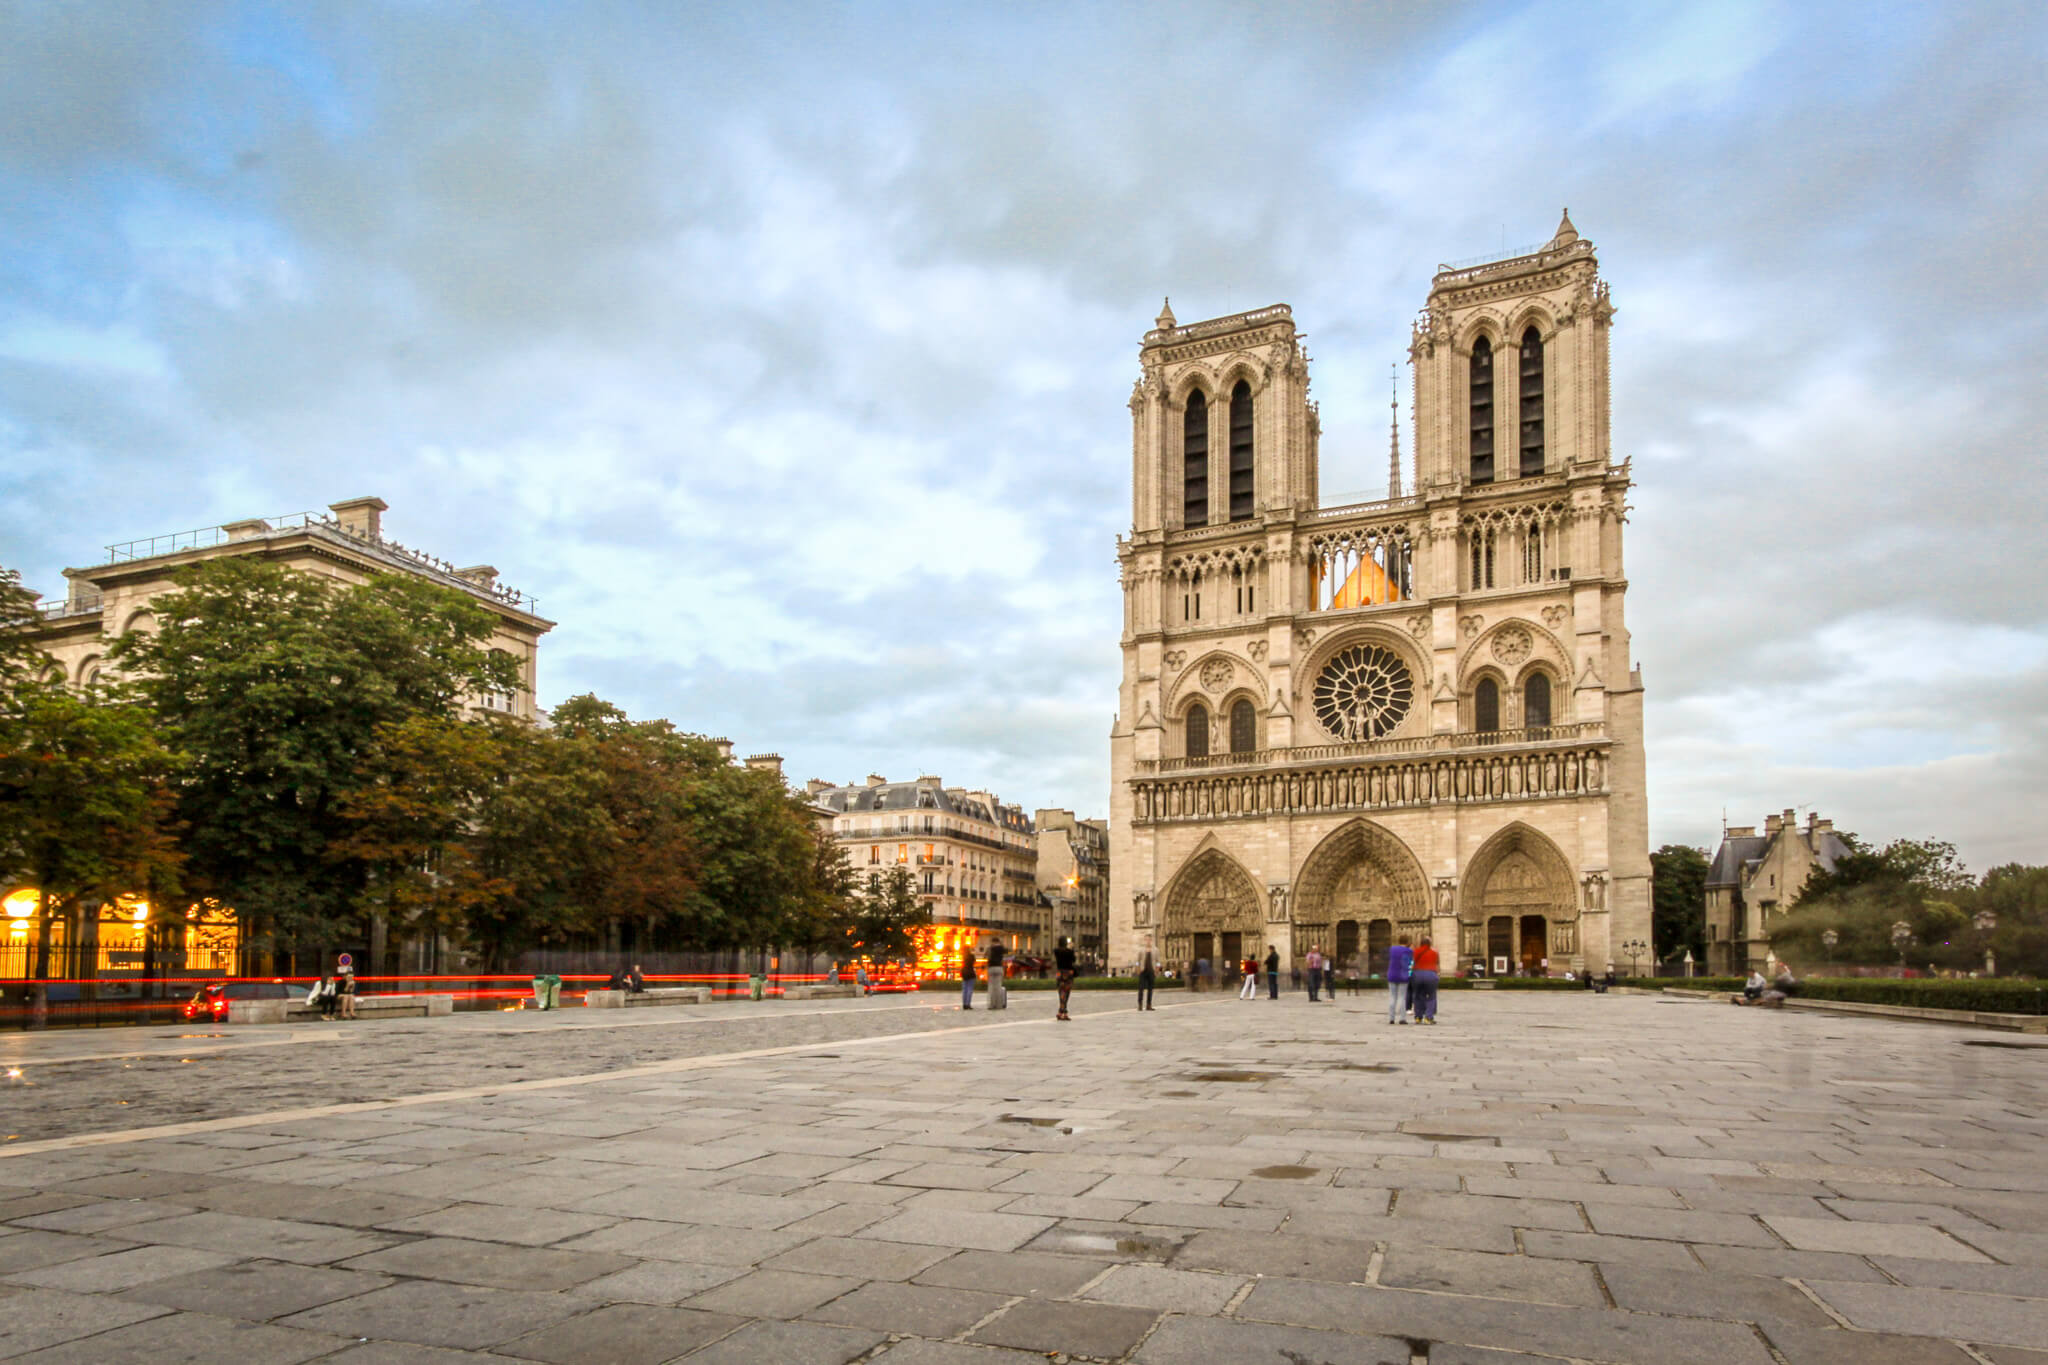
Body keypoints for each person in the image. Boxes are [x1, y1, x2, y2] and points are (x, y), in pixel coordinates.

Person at [1410, 936, 1440, 1024]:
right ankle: (1428, 1017)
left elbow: (1412, 963)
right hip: (1431, 974)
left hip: (1417, 974)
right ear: (1430, 944)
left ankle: (1418, 1017)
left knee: (1418, 995)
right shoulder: (1434, 953)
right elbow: (1437, 965)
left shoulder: (1415, 951)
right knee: (1431, 996)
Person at [1386, 936, 1414, 1025]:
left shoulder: (1392, 949)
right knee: (1402, 997)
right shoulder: (1409, 951)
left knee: (1392, 997)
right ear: (1407, 942)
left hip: (1392, 974)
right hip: (1403, 975)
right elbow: (1410, 963)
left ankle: (1391, 1018)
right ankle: (1402, 1018)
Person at [1054, 937, 1077, 1020]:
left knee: (1061, 993)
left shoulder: (1056, 951)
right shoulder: (1070, 952)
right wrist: (1071, 948)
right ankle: (1064, 1012)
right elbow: (1074, 960)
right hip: (1068, 973)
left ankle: (1061, 1012)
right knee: (1067, 993)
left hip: (1060, 973)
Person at [986, 938, 1008, 1011]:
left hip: (991, 968)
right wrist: (1001, 943)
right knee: (998, 987)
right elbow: (1006, 950)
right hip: (999, 967)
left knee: (991, 987)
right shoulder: (1001, 948)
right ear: (998, 942)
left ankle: (991, 1004)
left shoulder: (990, 948)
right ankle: (999, 1005)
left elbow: (986, 956)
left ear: (992, 942)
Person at [960, 944, 978, 1010]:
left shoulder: (963, 956)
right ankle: (968, 1004)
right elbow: (974, 962)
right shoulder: (971, 956)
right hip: (971, 972)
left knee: (964, 989)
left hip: (964, 972)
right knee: (970, 989)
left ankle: (964, 1004)